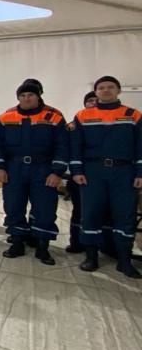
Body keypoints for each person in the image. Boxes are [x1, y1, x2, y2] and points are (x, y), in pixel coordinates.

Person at [69, 75, 142, 277]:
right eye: (101, 87)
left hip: (124, 172)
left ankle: (124, 259)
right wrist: (77, 171)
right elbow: (75, 146)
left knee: (125, 214)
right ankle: (91, 256)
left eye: (111, 87)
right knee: (91, 213)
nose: (106, 90)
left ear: (118, 90)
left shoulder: (133, 115)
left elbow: (140, 146)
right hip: (93, 172)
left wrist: (140, 172)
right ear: (96, 91)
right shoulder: (83, 116)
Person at [0, 80, 68, 265]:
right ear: (18, 97)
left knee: (45, 209)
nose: (26, 98)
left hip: (43, 170)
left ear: (38, 96)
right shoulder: (5, 118)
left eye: (31, 95)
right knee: (13, 207)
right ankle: (17, 242)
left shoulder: (54, 118)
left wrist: (57, 172)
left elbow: (63, 146)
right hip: (14, 169)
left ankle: (42, 247)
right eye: (23, 95)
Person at [65, 90, 98, 253]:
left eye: (96, 100)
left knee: (104, 211)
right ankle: (77, 243)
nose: (93, 103)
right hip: (79, 174)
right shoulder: (73, 125)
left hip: (104, 174)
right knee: (80, 210)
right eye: (90, 100)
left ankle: (104, 245)